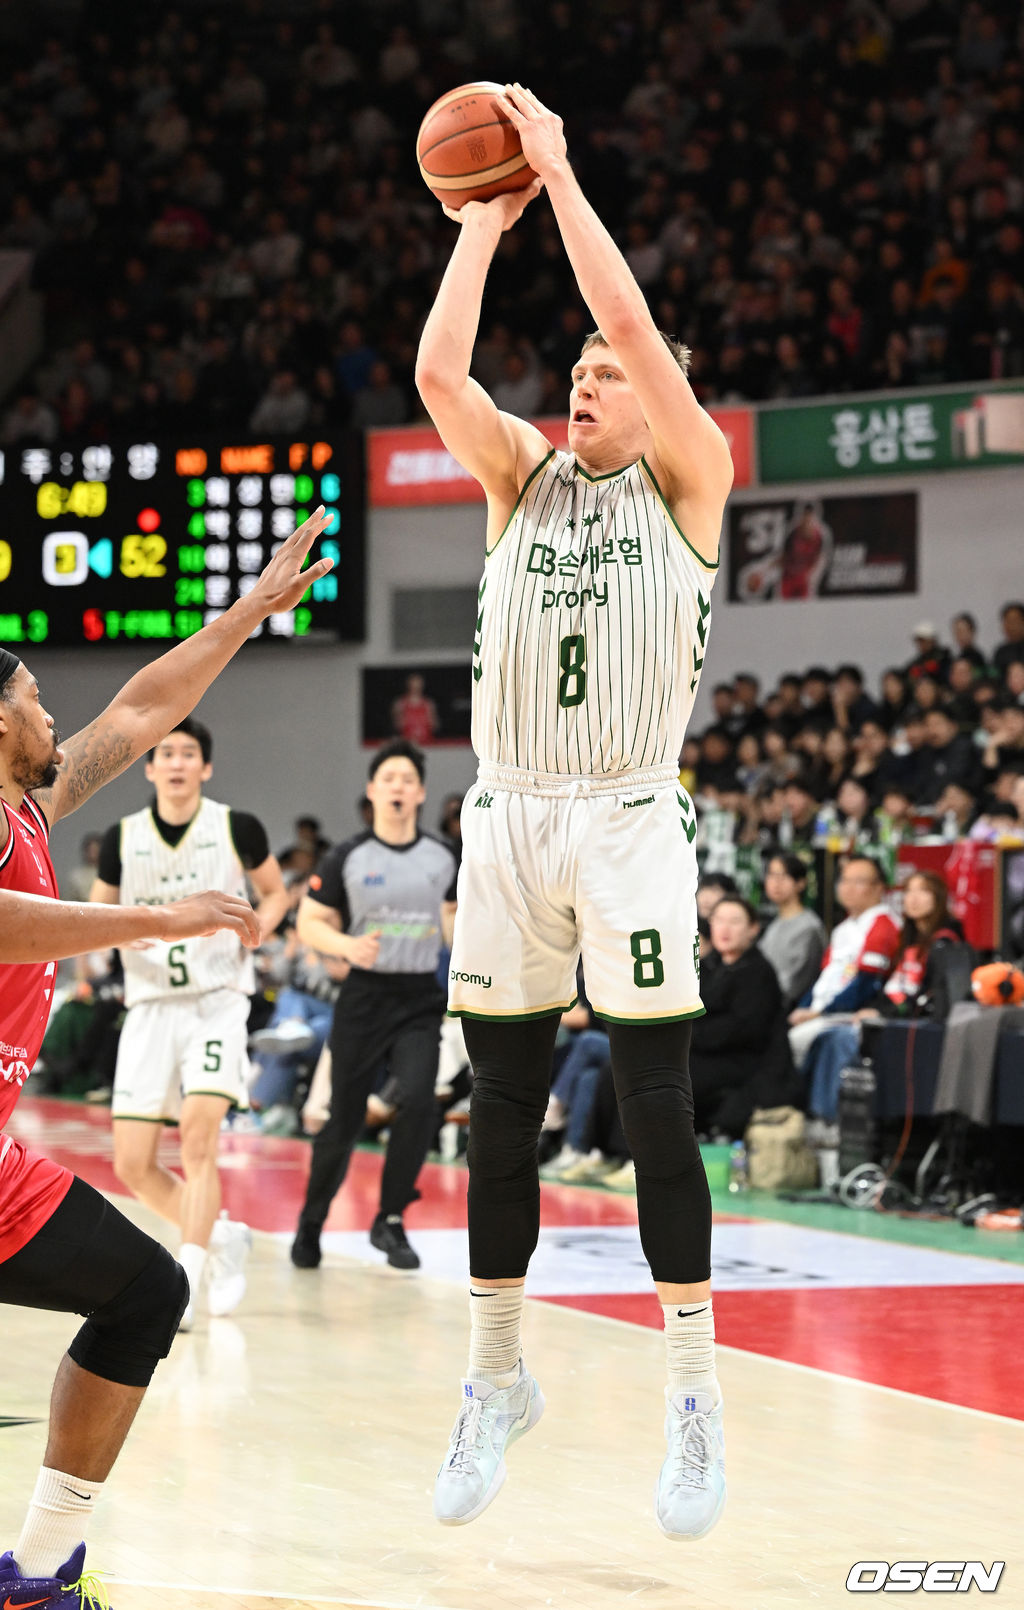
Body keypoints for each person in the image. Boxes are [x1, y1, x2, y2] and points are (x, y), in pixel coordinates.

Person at [415, 83, 734, 1540]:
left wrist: (558, 173)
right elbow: (439, 373)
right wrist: (484, 223)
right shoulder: (519, 477)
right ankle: (496, 1377)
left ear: (659, 396)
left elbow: (626, 313)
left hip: (626, 819)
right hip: (510, 821)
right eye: (580, 370)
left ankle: (693, 1395)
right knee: (498, 1114)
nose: (587, 381)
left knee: (659, 1107)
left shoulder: (690, 479)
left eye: (611, 371)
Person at [0, 514, 330, 1606]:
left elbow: (140, 711)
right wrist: (160, 916)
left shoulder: (29, 804)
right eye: (35, 696)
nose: (54, 712)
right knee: (145, 1281)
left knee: (146, 1290)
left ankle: (37, 1573)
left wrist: (247, 614)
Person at [90, 717, 290, 1330]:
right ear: (150, 768)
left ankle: (189, 1277)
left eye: (188, 754)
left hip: (216, 1000)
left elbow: (276, 892)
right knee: (132, 1165)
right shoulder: (123, 837)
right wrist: (112, 935)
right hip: (150, 1005)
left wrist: (258, 928)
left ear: (205, 766)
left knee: (199, 1140)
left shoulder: (236, 827)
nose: (177, 763)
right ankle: (224, 1236)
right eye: (166, 753)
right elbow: (96, 910)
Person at [289, 739, 458, 1272]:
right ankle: (311, 1221)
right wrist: (346, 946)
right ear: (372, 790)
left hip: (418, 998)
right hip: (364, 997)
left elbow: (454, 922)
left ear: (421, 792)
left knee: (419, 1100)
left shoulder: (443, 857)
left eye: (408, 780)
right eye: (389, 779)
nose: (398, 788)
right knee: (343, 1120)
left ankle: (390, 1219)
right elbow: (309, 922)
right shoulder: (348, 856)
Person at [804, 871, 966, 1121]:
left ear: (939, 898)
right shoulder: (909, 942)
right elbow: (891, 987)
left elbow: (929, 998)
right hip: (886, 1014)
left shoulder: (946, 944)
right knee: (826, 1037)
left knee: (841, 1039)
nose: (914, 898)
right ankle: (816, 1117)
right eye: (908, 891)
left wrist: (880, 1013)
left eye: (923, 891)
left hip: (912, 1024)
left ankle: (835, 1122)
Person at [689, 896, 796, 1140]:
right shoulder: (706, 966)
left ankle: (638, 1151)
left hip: (745, 1062)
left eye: (735, 921)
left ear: (753, 929)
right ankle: (609, 1147)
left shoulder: (759, 971)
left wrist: (690, 1036)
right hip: (703, 1053)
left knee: (666, 1075)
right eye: (719, 920)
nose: (725, 929)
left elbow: (743, 1029)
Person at [788, 854, 901, 1065]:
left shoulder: (883, 925)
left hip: (849, 1015)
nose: (848, 888)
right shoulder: (843, 929)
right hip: (821, 1012)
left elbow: (867, 984)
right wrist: (804, 1008)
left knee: (792, 1043)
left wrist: (820, 1013)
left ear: (879, 888)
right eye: (844, 880)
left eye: (858, 881)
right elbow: (824, 978)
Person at [758, 853, 827, 1009]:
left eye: (783, 876)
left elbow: (794, 986)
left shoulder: (809, 927)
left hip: (789, 1009)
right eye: (771, 875)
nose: (776, 883)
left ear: (800, 883)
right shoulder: (775, 924)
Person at [390, 671, 440, 744]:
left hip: (427, 742)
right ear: (408, 684)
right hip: (408, 743)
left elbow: (435, 726)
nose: (416, 686)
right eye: (413, 683)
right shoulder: (400, 703)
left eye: (418, 683)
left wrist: (432, 721)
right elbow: (396, 726)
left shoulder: (428, 704)